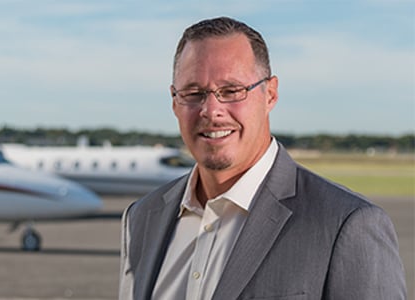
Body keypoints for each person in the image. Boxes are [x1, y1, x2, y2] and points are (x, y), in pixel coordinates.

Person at [119, 17, 407, 300]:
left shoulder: (346, 225)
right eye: (194, 93)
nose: (211, 110)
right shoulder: (142, 217)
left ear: (270, 94)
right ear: (174, 101)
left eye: (231, 91)